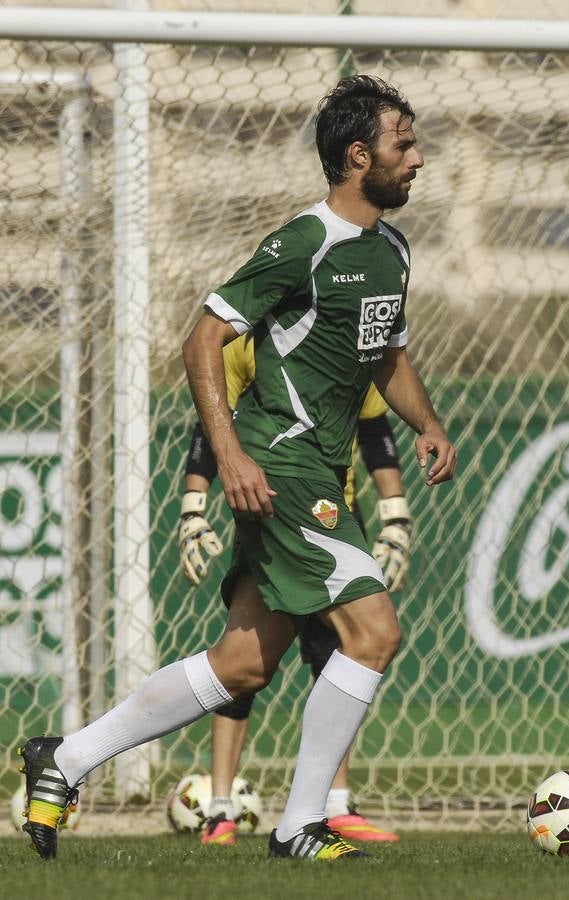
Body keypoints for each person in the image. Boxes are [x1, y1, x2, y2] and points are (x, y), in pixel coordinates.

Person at [18, 73, 455, 863]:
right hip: (281, 467)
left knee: (243, 664)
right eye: (404, 144)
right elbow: (202, 339)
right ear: (358, 156)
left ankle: (67, 759)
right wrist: (229, 454)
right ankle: (298, 825)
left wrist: (425, 424)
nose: (418, 159)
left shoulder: (390, 248)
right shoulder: (302, 242)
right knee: (374, 631)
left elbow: (384, 353)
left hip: (325, 472)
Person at [178, 332, 413, 846]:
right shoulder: (245, 339)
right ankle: (220, 807)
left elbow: (373, 429)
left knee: (340, 653)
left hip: (335, 512)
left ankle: (332, 804)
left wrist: (396, 516)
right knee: (244, 662)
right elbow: (213, 419)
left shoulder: (348, 325)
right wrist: (193, 504)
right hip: (270, 501)